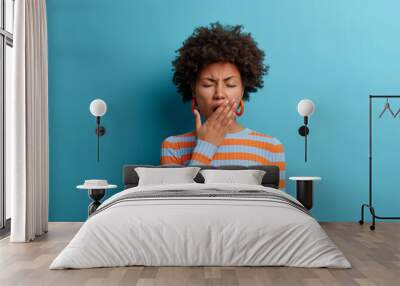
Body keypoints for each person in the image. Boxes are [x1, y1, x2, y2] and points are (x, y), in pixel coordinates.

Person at [160, 22, 285, 190]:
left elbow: (277, 210)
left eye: (230, 84)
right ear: (194, 91)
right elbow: (173, 207)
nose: (220, 94)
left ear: (242, 91)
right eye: (208, 84)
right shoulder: (173, 147)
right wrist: (205, 145)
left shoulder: (271, 147)